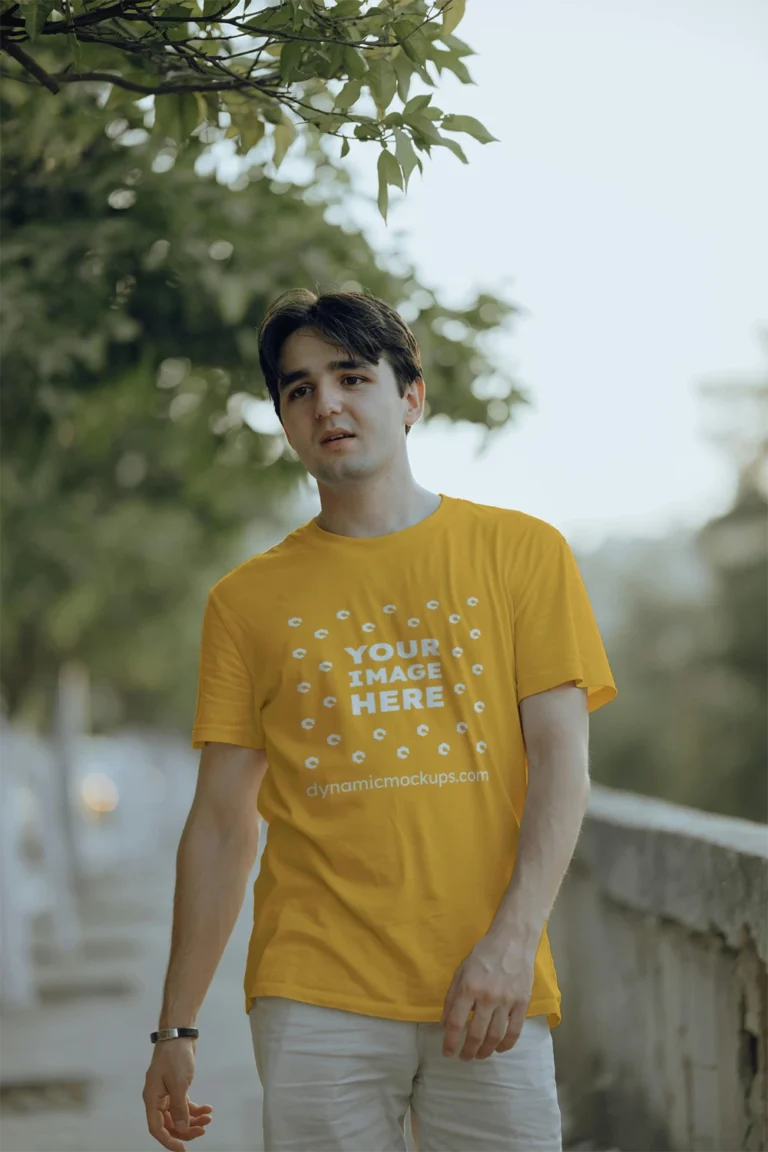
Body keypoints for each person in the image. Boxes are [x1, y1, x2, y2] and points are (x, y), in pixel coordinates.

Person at [142, 287, 617, 1152]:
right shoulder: (245, 603)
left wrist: (513, 944)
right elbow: (219, 825)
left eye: (351, 376)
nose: (325, 402)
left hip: (489, 981)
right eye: (298, 389)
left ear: (410, 396)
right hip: (313, 990)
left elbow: (561, 766)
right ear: (284, 419)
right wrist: (175, 1028)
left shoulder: (522, 554)